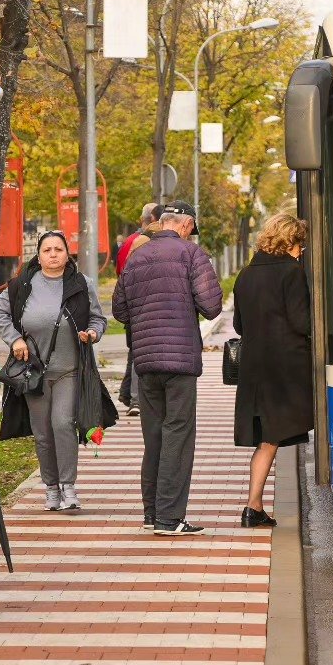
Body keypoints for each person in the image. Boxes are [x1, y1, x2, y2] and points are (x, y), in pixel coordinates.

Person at [111, 199, 222, 536]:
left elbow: (119, 310)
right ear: (185, 224)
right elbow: (212, 305)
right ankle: (169, 518)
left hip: (145, 361)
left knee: (154, 435)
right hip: (180, 361)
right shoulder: (191, 255)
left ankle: (151, 513)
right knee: (178, 433)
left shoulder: (137, 256)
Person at [0, 231, 107, 511]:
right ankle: (51, 488)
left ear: (68, 253)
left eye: (58, 249)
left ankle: (69, 487)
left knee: (63, 424)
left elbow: (98, 318)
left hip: (70, 370)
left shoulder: (81, 283)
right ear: (39, 255)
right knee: (42, 432)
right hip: (34, 372)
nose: (53, 254)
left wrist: (93, 332)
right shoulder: (23, 285)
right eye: (47, 250)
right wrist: (15, 339)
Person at [232, 214, 312, 528]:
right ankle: (252, 507)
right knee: (271, 437)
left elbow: (239, 324)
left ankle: (254, 506)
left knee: (268, 438)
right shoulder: (292, 272)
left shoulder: (246, 274)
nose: (301, 250)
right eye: (300, 243)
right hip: (285, 367)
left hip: (254, 366)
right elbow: (301, 322)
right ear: (289, 241)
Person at [116, 202, 163, 416]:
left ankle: (130, 396)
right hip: (151, 312)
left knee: (135, 353)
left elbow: (121, 274)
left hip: (135, 310)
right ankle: (135, 397)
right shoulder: (164, 244)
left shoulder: (130, 243)